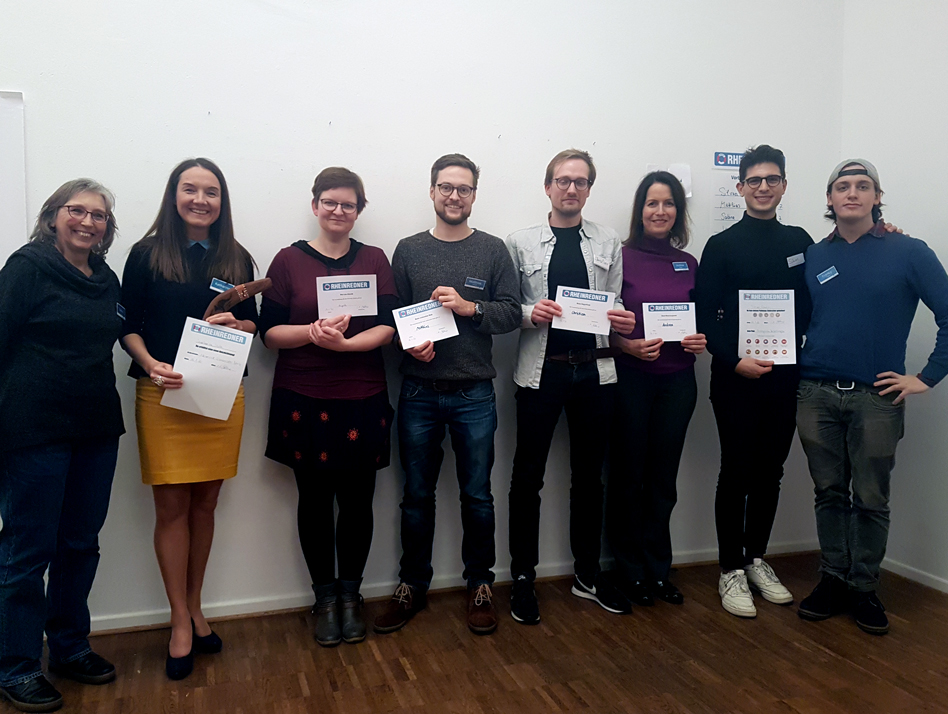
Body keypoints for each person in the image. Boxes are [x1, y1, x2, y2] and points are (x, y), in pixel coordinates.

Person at [796, 160, 948, 635]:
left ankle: (864, 587)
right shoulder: (814, 257)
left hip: (877, 398)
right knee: (828, 494)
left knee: (871, 498)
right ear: (829, 199)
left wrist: (926, 377)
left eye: (863, 186)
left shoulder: (909, 251)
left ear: (877, 197)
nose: (852, 194)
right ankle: (833, 579)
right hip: (816, 392)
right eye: (843, 187)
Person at [121, 158, 257, 679]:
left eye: (212, 192)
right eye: (190, 189)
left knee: (206, 505)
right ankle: (179, 619)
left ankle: (197, 606)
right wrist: (152, 363)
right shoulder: (146, 253)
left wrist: (237, 322)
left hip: (221, 395)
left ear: (222, 202)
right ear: (173, 195)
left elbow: (255, 324)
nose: (201, 200)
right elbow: (127, 324)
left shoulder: (238, 256)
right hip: (162, 395)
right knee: (172, 508)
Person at [373, 153, 520, 636]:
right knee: (416, 497)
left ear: (475, 195)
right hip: (418, 391)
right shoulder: (408, 250)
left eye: (464, 189)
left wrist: (468, 306)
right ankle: (412, 585)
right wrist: (409, 345)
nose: (454, 196)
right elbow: (392, 318)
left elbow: (511, 314)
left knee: (477, 497)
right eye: (446, 187)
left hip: (475, 394)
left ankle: (480, 585)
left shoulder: (494, 250)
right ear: (432, 192)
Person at [258, 167, 397, 647]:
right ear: (315, 204)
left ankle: (351, 596)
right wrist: (312, 334)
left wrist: (346, 348)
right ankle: (324, 599)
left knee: (358, 502)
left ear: (360, 210)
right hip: (303, 396)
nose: (339, 211)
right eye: (330, 202)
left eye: (349, 204)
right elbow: (269, 333)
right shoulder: (287, 260)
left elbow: (387, 326)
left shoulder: (375, 258)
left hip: (363, 394)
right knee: (315, 502)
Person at [0, 180, 124, 712]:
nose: (88, 222)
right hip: (34, 431)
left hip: (96, 429)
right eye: (77, 210)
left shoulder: (107, 278)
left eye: (98, 216)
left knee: (80, 544)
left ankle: (69, 647)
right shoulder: (26, 268)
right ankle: (16, 665)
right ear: (54, 216)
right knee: (28, 553)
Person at [505, 149, 637, 625]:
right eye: (562, 180)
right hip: (542, 372)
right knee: (528, 478)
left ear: (588, 189)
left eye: (580, 182)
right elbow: (505, 307)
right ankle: (523, 576)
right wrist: (528, 313)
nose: (571, 189)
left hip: (596, 372)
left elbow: (615, 299)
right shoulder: (519, 242)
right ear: (547, 187)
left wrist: (620, 317)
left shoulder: (607, 240)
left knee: (589, 479)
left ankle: (586, 572)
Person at [694, 145, 812, 618]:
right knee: (737, 470)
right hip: (736, 377)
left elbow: (821, 293)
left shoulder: (802, 241)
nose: (764, 187)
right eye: (755, 180)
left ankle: (755, 558)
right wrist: (733, 358)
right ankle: (729, 570)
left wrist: (883, 226)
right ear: (739, 187)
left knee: (772, 471)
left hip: (785, 376)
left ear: (784, 185)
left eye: (773, 179)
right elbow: (706, 315)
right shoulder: (721, 245)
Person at [606, 171, 706, 608]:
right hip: (630, 380)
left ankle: (657, 570)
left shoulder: (689, 262)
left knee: (663, 480)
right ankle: (629, 572)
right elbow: (599, 322)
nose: (660, 211)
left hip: (678, 382)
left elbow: (700, 320)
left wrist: (699, 340)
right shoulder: (618, 258)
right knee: (628, 476)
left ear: (678, 212)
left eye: (668, 204)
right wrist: (625, 345)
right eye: (652, 203)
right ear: (639, 210)